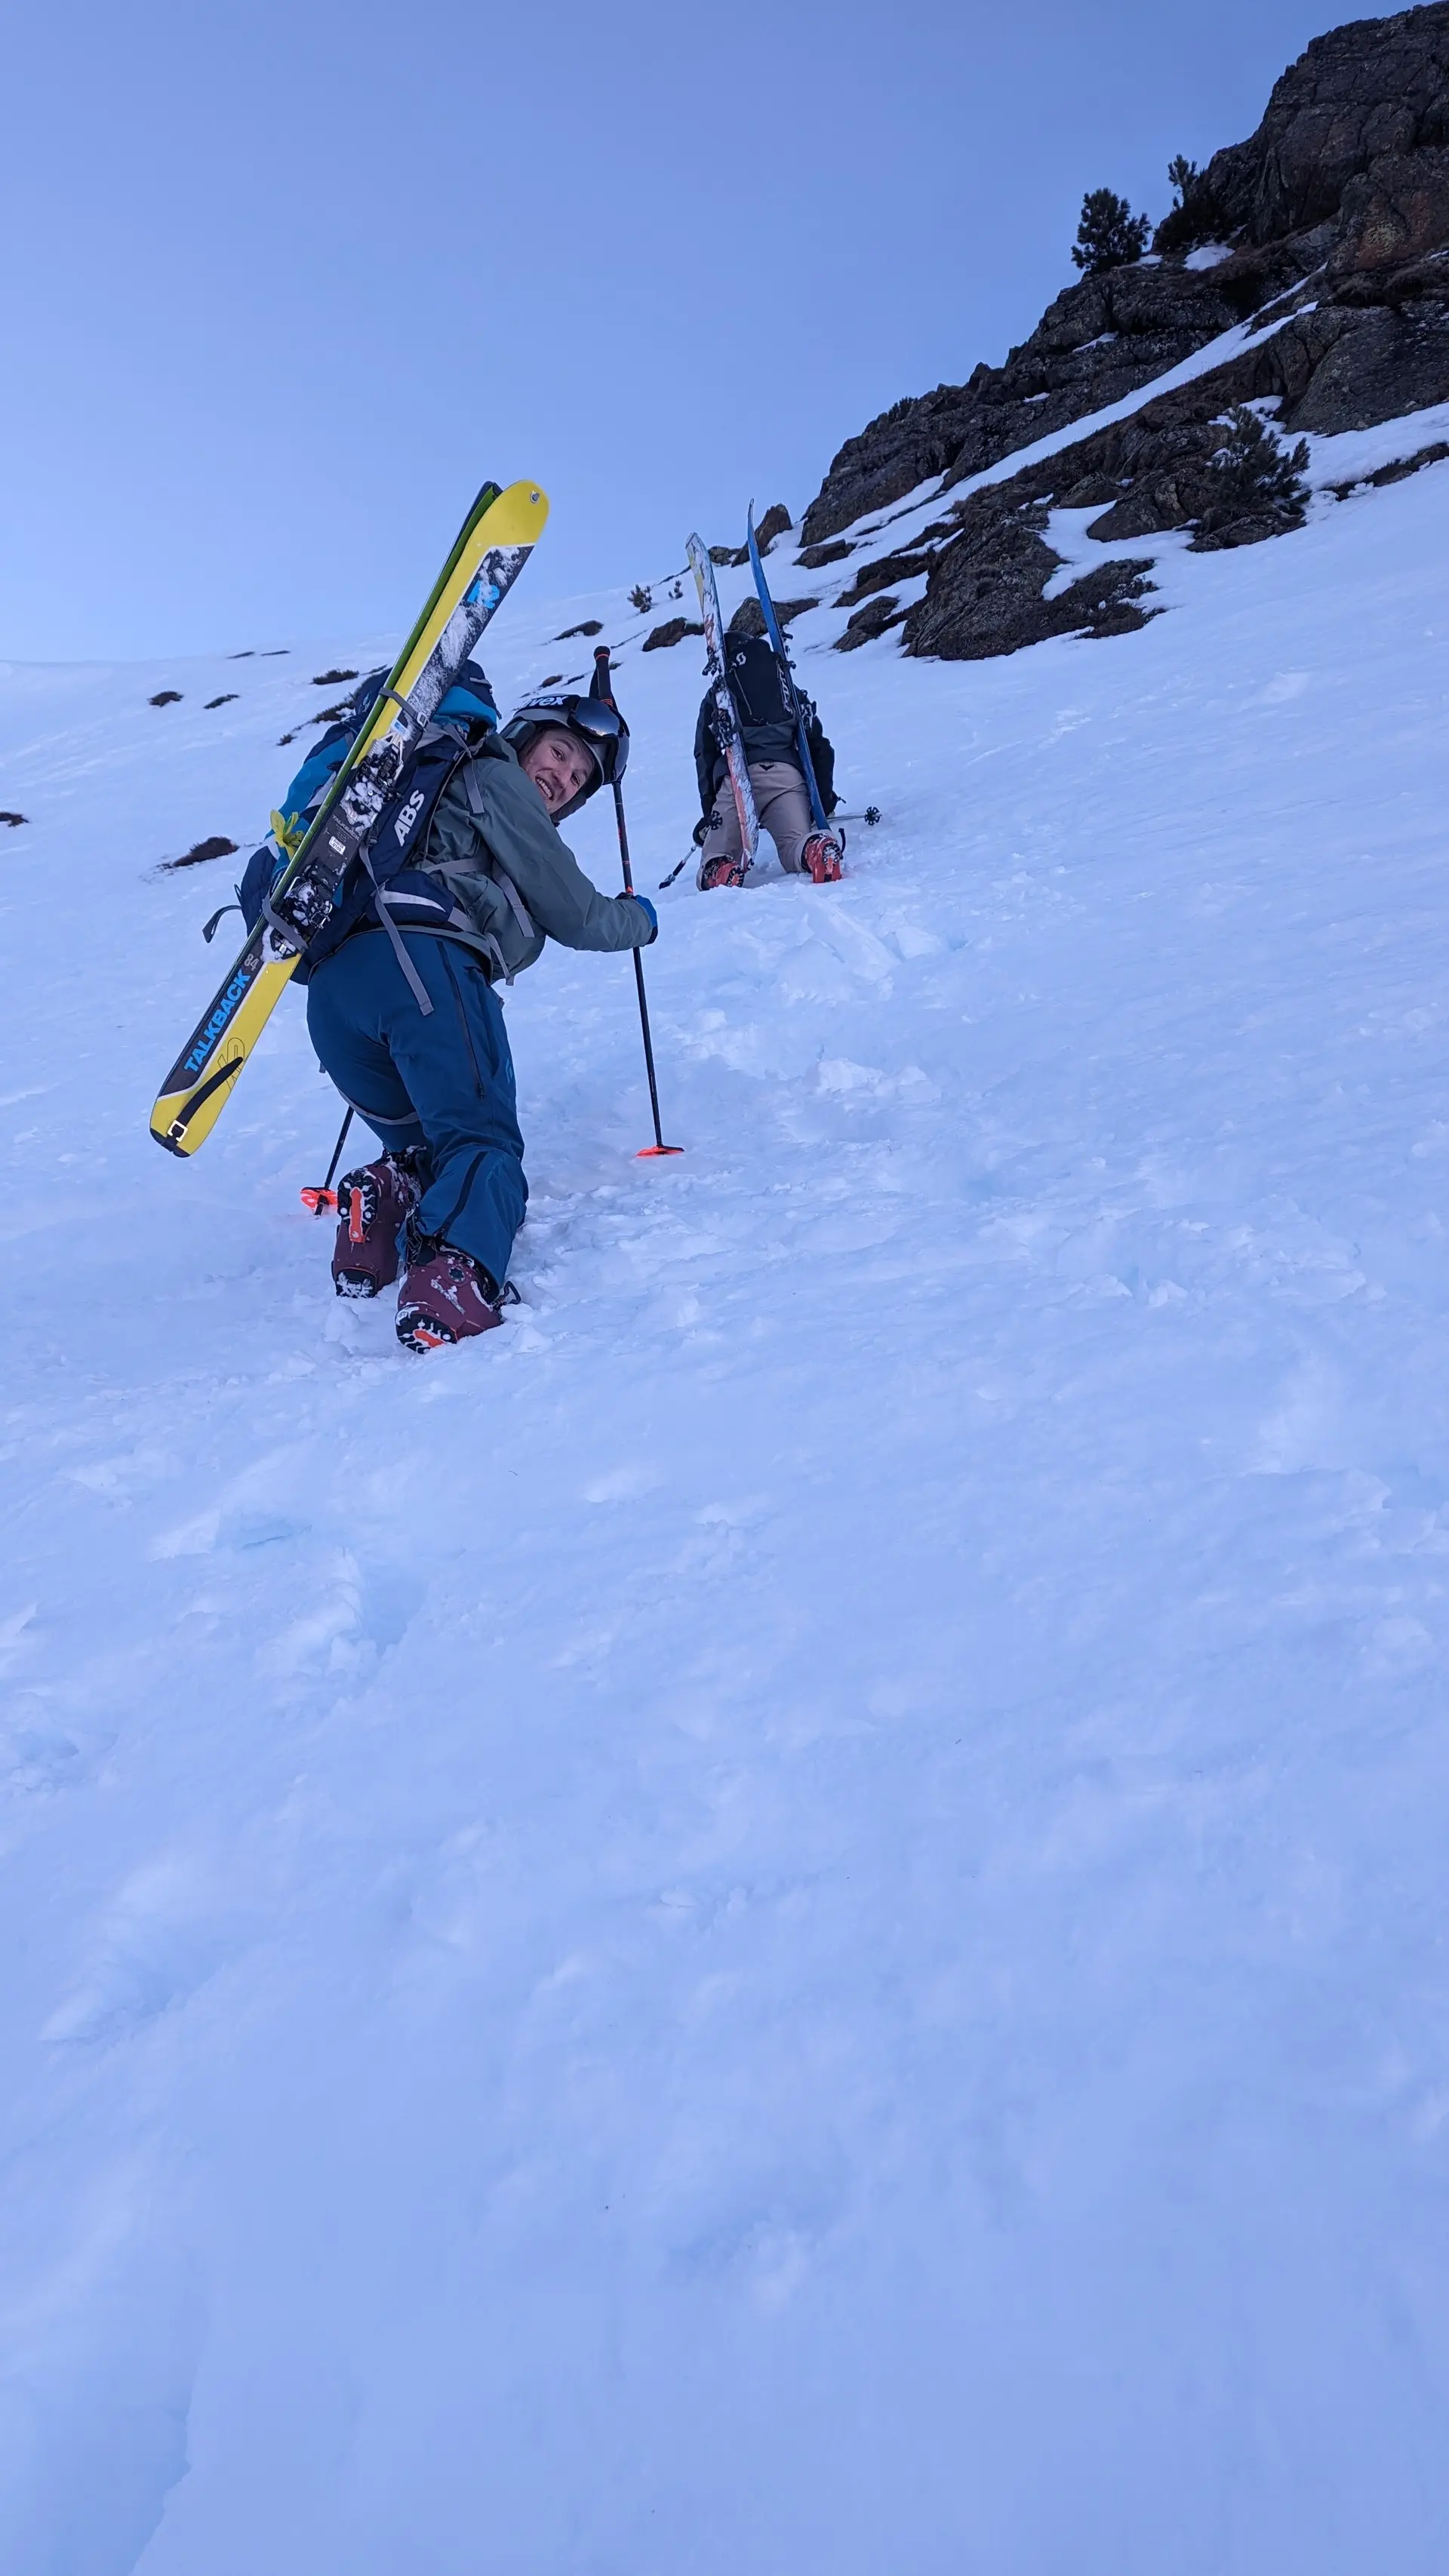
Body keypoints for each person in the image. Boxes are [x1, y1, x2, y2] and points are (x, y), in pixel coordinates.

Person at [300, 685, 657, 1351]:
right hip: (424, 969)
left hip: (335, 995)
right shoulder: (493, 775)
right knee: (484, 1144)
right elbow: (577, 913)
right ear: (527, 733)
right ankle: (454, 1279)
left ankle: (376, 1220)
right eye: (559, 752)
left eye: (579, 777)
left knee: (431, 1147)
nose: (563, 779)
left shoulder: (434, 790)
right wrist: (640, 920)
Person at [694, 619, 842, 891]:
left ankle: (721, 871)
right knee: (794, 844)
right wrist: (822, 802)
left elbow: (704, 756)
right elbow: (819, 746)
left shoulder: (718, 696)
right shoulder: (787, 689)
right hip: (786, 778)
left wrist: (709, 814)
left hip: (738, 779)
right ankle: (817, 850)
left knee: (717, 853)